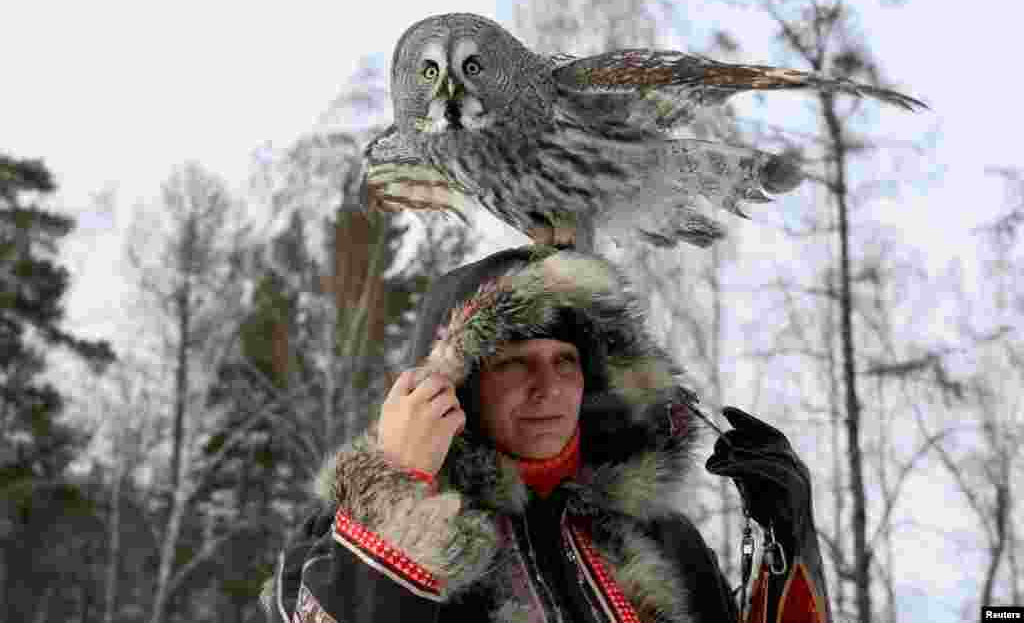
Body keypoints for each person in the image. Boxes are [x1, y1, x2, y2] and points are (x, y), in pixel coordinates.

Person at [263, 245, 832, 622]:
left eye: (566, 361)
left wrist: (782, 536)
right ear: (456, 386)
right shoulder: (343, 541)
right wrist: (397, 493)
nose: (549, 387)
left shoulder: (661, 540)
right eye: (514, 362)